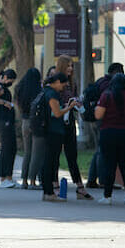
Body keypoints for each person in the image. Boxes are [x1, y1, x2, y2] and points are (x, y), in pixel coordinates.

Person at [94, 73, 125, 204]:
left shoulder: (107, 95)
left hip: (109, 132)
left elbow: (98, 115)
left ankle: (107, 196)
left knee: (109, 165)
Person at [51, 55, 91, 200]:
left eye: (72, 66)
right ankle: (54, 185)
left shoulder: (71, 82)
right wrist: (68, 105)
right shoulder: (55, 81)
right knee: (55, 154)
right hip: (56, 122)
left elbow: (72, 99)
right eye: (68, 66)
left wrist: (77, 104)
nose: (70, 69)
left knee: (72, 155)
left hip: (69, 122)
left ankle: (80, 186)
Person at [85, 63, 124, 189]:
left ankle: (92, 179)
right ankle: (103, 180)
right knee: (103, 151)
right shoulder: (109, 85)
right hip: (103, 120)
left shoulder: (101, 81)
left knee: (99, 150)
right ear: (116, 72)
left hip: (96, 119)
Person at [40, 72, 77, 202]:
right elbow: (57, 113)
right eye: (63, 83)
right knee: (50, 161)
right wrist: (69, 107)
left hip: (48, 130)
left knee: (48, 161)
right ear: (56, 82)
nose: (64, 86)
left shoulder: (45, 91)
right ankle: (49, 192)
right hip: (54, 131)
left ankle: (47, 191)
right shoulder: (52, 94)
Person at [15, 68, 44, 190]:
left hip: (25, 121)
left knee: (27, 152)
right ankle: (33, 180)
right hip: (36, 122)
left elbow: (17, 104)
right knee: (36, 152)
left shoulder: (20, 88)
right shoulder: (39, 90)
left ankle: (24, 181)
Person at [0, 69, 18, 188]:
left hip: (8, 121)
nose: (10, 83)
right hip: (2, 121)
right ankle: (3, 178)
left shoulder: (4, 88)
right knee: (6, 148)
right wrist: (4, 102)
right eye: (10, 80)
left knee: (12, 148)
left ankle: (9, 177)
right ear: (5, 77)